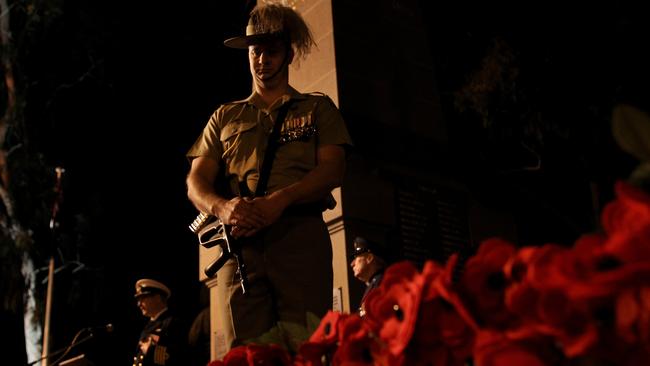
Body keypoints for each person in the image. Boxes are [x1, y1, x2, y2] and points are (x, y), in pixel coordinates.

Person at [185, 3, 352, 359]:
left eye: (272, 51)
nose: (262, 60)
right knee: (245, 355)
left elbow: (332, 170)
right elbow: (195, 181)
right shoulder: (225, 116)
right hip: (240, 248)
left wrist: (281, 200)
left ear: (289, 53)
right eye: (256, 51)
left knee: (305, 350)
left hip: (299, 240)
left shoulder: (317, 109)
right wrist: (223, 207)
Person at [132, 279, 190, 366]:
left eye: (143, 298)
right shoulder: (148, 326)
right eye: (138, 300)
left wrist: (151, 350)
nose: (139, 304)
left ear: (158, 298)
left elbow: (178, 356)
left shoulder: (173, 323)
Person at [349, 236, 388, 316]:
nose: (352, 264)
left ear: (369, 258)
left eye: (356, 258)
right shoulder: (373, 284)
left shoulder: (382, 283)